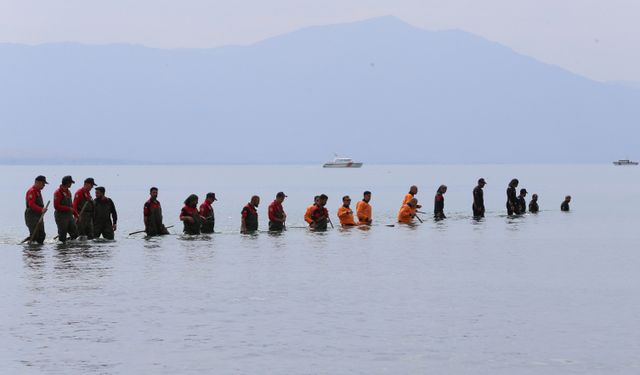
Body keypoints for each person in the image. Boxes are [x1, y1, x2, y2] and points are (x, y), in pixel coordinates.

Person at [54, 175, 79, 242]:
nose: (71, 184)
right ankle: (62, 249)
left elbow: (71, 205)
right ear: (67, 183)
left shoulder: (68, 192)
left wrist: (76, 214)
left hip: (69, 216)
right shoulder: (58, 192)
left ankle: (71, 246)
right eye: (70, 183)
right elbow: (56, 206)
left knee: (75, 233)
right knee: (62, 234)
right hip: (61, 216)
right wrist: (68, 208)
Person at [25, 175, 49, 244]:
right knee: (34, 235)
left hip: (38, 215)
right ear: (37, 182)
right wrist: (41, 209)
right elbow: (31, 204)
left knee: (42, 235)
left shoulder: (38, 191)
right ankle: (28, 246)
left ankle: (39, 252)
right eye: (43, 183)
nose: (44, 185)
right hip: (31, 216)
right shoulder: (32, 191)